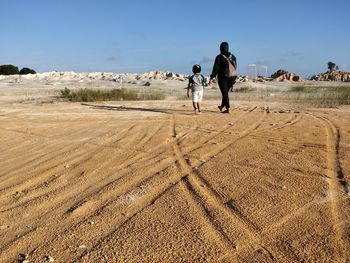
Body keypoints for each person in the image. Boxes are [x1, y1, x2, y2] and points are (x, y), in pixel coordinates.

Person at [209, 42, 237, 113]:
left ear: (220, 48)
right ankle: (222, 106)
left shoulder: (219, 57)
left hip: (223, 77)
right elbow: (235, 66)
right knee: (225, 93)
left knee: (225, 93)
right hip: (232, 76)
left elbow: (216, 68)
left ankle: (228, 109)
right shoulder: (233, 56)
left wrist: (211, 77)